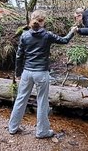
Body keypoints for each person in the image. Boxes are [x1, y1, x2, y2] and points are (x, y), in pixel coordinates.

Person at [8, 11, 75, 139]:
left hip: (27, 73)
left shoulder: (25, 35)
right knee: (42, 102)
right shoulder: (47, 35)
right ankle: (42, 131)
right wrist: (72, 31)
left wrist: (18, 73)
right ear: (43, 21)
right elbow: (65, 40)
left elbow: (19, 56)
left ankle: (12, 127)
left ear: (32, 20)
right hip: (41, 73)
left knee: (21, 99)